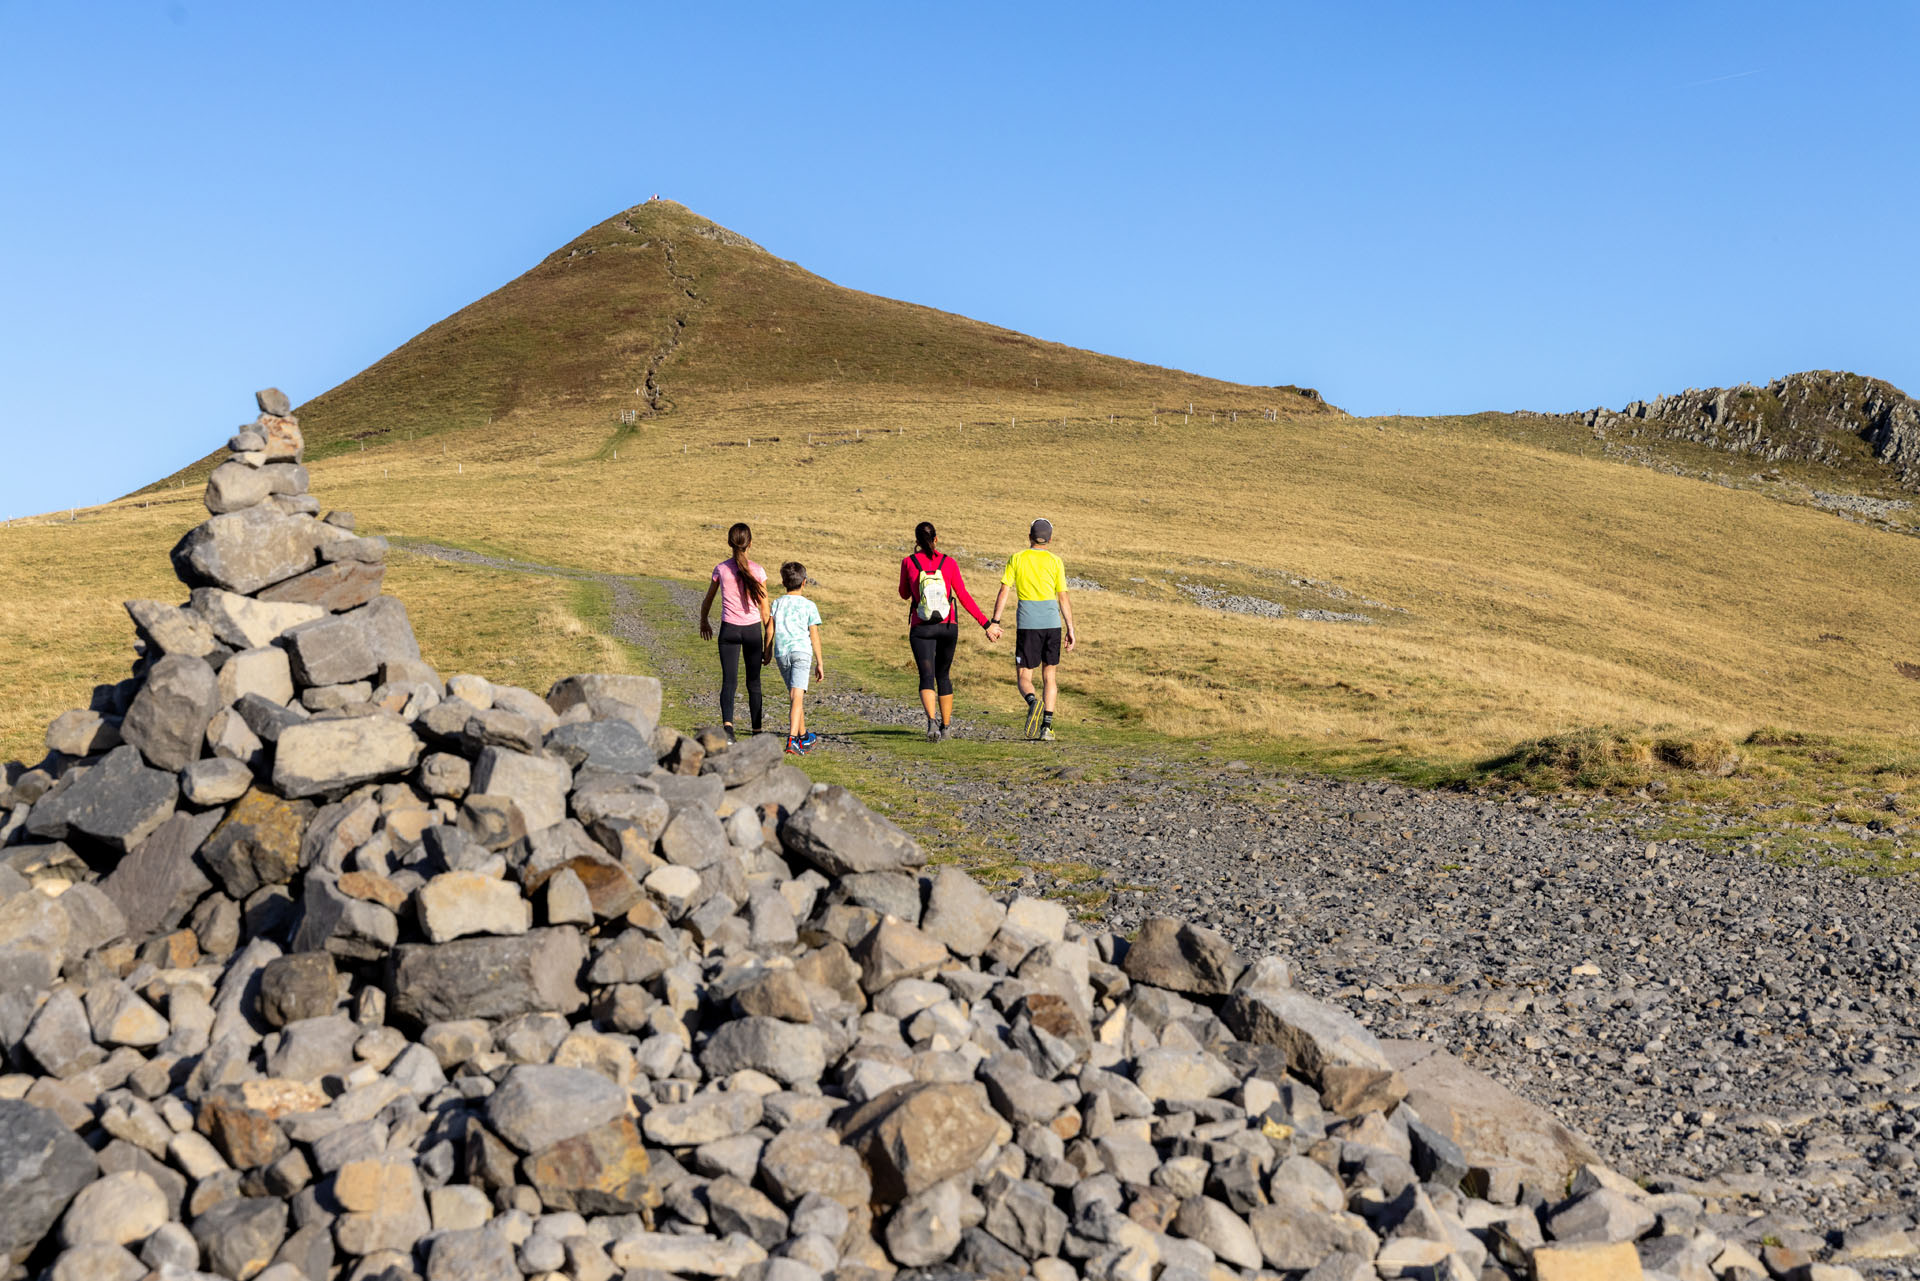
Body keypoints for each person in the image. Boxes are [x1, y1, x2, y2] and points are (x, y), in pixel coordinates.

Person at [898, 521, 1001, 741]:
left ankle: (931, 723)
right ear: (936, 539)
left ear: (916, 542)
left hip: (921, 627)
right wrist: (986, 624)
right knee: (943, 675)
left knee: (926, 676)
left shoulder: (909, 562)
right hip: (948, 626)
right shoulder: (949, 563)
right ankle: (946, 727)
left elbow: (904, 594)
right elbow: (963, 596)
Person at [989, 517, 1077, 741]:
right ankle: (1047, 727)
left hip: (1028, 624)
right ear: (1050, 540)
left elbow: (1004, 591)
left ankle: (1032, 702)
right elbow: (1063, 597)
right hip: (1052, 623)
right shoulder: (1056, 561)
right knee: (1050, 676)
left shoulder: (1016, 559)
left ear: (1029, 536)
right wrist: (1070, 629)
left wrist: (995, 621)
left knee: (1023, 676)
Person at [697, 522, 771, 739]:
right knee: (753, 683)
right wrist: (769, 645)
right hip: (751, 631)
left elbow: (708, 599)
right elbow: (765, 612)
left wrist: (704, 621)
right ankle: (757, 732)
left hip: (728, 630)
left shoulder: (721, 569)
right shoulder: (758, 571)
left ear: (729, 543)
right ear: (750, 544)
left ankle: (728, 731)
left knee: (729, 681)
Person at [767, 561, 824, 755]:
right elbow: (814, 635)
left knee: (795, 697)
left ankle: (804, 736)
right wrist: (820, 662)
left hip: (782, 653)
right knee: (796, 696)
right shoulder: (809, 605)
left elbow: (769, 629)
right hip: (802, 652)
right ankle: (792, 740)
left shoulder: (777, 603)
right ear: (804, 582)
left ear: (783, 583)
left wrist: (767, 651)